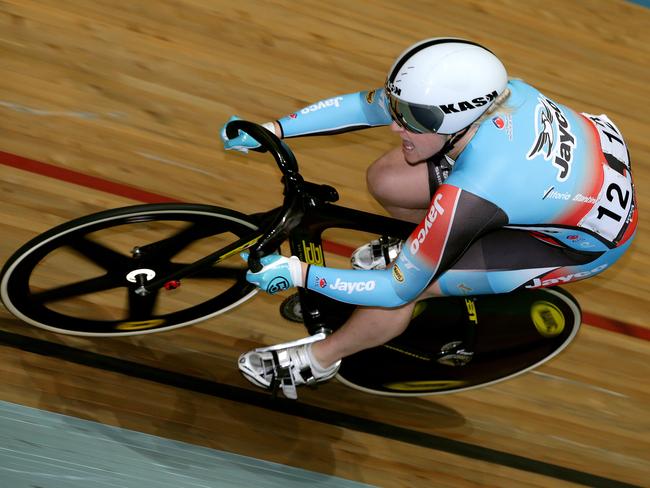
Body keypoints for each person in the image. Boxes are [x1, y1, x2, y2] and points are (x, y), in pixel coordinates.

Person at [220, 38, 637, 399]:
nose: (397, 125)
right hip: (543, 180)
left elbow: (393, 291)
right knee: (387, 178)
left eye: (413, 119)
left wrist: (299, 273)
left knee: (410, 286)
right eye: (401, 109)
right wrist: (274, 128)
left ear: (456, 119)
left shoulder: (480, 187)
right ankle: (422, 247)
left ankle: (319, 360)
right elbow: (366, 106)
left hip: (568, 245)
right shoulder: (483, 98)